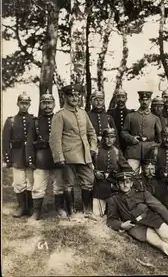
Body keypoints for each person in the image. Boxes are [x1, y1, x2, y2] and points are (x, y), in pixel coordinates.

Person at [105, 172, 168, 271]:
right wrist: (122, 225)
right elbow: (111, 220)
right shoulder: (114, 199)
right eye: (122, 183)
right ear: (117, 185)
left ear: (131, 183)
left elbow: (159, 207)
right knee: (161, 244)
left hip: (152, 219)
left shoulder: (142, 193)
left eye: (127, 182)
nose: (125, 185)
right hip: (136, 227)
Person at [49, 84, 98, 217]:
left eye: (77, 95)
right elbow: (55, 139)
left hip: (85, 155)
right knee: (68, 184)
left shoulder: (83, 113)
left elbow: (91, 132)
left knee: (89, 180)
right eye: (71, 95)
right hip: (68, 155)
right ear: (65, 97)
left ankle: (87, 211)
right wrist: (59, 157)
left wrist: (93, 148)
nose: (75, 98)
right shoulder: (60, 115)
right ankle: (72, 213)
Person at [30, 91, 67, 220]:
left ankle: (59, 208)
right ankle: (36, 212)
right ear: (40, 105)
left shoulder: (60, 118)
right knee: (38, 186)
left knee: (59, 185)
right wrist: (31, 159)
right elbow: (30, 142)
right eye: (44, 103)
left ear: (54, 104)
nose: (47, 106)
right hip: (42, 158)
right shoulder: (35, 122)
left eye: (49, 103)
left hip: (57, 157)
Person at [3, 92, 36, 217]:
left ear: (29, 105)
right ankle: (22, 207)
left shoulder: (33, 120)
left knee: (30, 181)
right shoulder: (11, 121)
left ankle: (31, 207)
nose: (24, 106)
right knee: (18, 182)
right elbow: (6, 141)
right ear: (17, 104)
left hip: (30, 156)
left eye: (26, 103)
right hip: (17, 157)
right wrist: (7, 158)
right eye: (22, 103)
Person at [92, 128, 132, 217]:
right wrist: (95, 172)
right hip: (99, 186)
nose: (110, 140)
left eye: (112, 137)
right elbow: (89, 165)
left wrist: (128, 175)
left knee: (114, 212)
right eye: (107, 137)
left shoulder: (117, 151)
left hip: (113, 186)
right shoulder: (96, 150)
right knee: (97, 214)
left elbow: (126, 166)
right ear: (103, 138)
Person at [121, 91, 162, 174]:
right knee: (130, 173)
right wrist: (131, 138)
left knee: (150, 175)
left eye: (147, 100)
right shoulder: (130, 116)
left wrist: (157, 148)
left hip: (150, 150)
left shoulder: (155, 118)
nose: (145, 102)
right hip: (134, 150)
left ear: (150, 101)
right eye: (143, 100)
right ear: (139, 100)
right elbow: (123, 132)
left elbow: (160, 136)